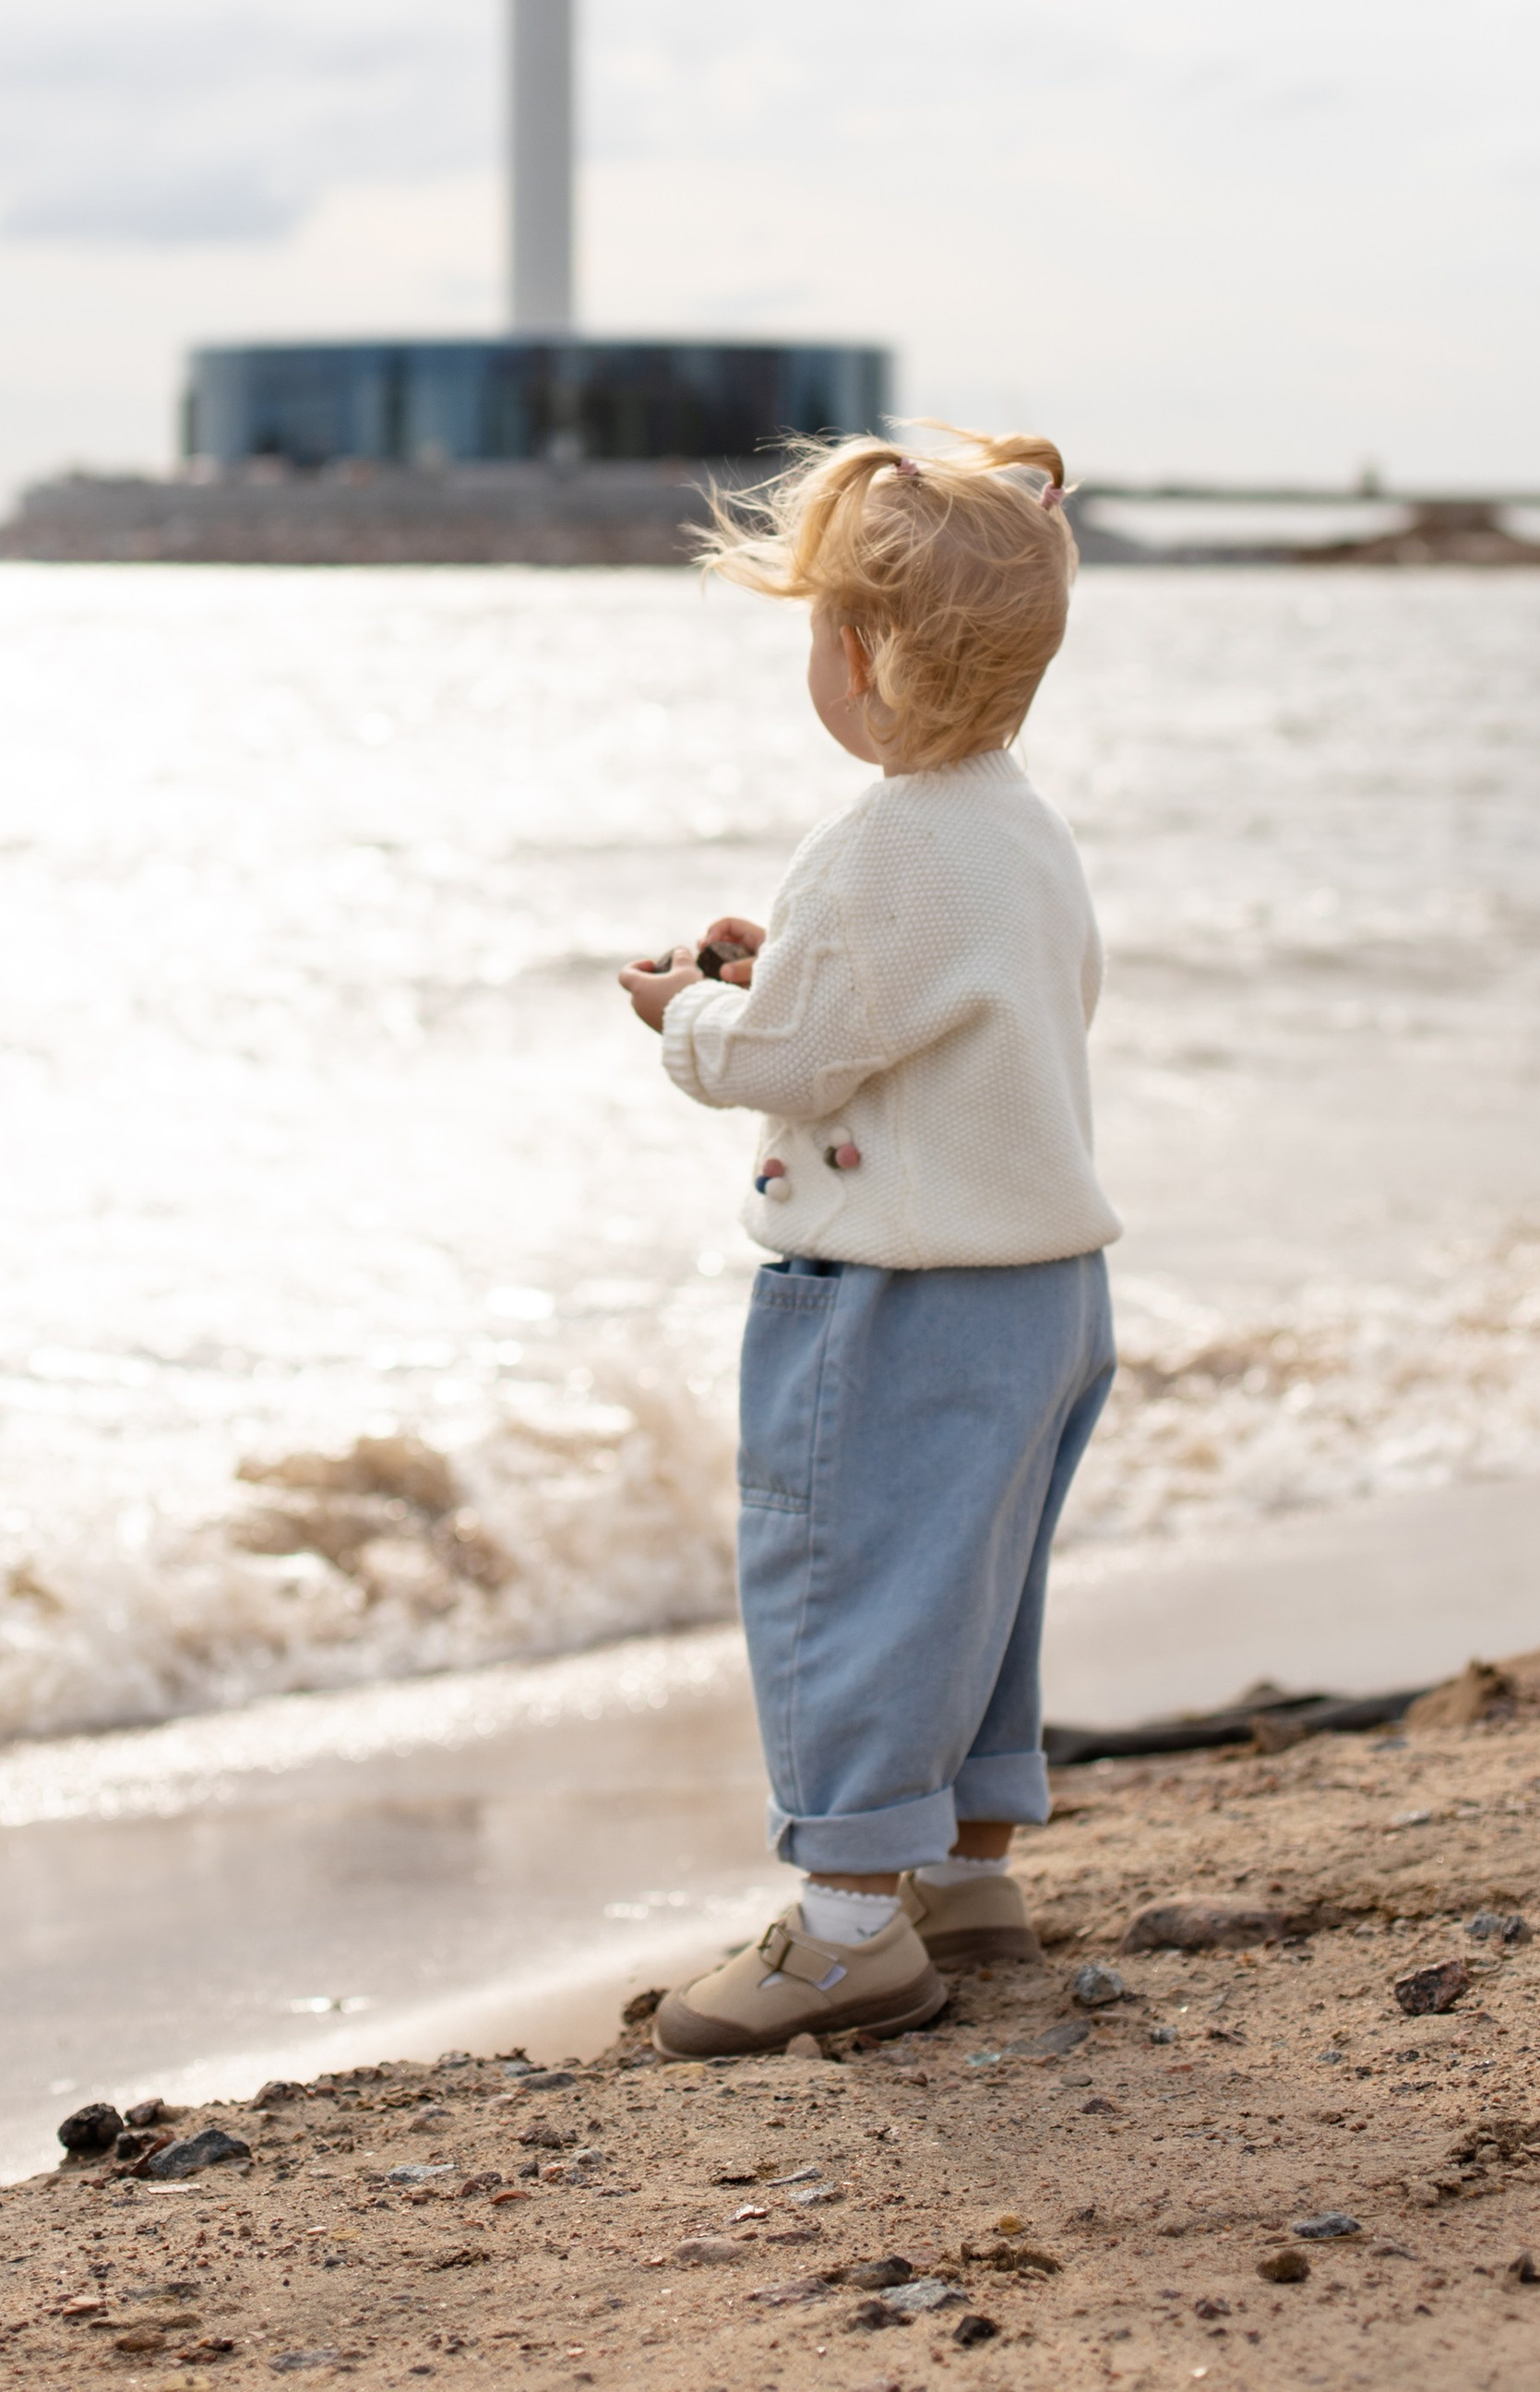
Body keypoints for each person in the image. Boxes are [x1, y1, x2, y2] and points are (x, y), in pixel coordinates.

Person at [617, 427, 1119, 2056]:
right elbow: (918, 1013)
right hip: (1042, 1288)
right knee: (971, 1584)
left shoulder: (886, 840)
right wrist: (791, 973)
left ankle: (846, 1934)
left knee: (849, 1581)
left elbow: (785, 1062)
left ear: (858, 656)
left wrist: (690, 1009)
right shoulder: (1014, 826)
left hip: (900, 1303)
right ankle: (967, 1876)